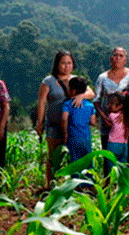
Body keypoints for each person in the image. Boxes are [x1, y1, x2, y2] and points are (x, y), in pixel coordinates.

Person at [35, 51, 95, 186]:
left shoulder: (77, 80)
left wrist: (81, 96)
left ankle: (77, 185)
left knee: (76, 157)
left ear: (73, 65)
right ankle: (51, 185)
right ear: (57, 64)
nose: (66, 66)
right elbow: (42, 102)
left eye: (69, 63)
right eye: (63, 63)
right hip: (54, 125)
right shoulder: (48, 81)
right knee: (53, 157)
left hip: (74, 128)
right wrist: (39, 122)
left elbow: (91, 93)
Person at [94, 47, 129, 167]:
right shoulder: (103, 78)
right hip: (108, 125)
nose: (118, 58)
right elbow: (96, 100)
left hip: (128, 125)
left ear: (125, 59)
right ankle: (109, 183)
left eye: (121, 56)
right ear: (111, 59)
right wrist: (104, 118)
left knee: (128, 158)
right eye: (115, 55)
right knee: (109, 158)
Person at [61, 77, 97, 164]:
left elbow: (64, 118)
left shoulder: (67, 104)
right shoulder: (90, 105)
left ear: (73, 91)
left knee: (74, 162)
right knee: (87, 161)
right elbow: (93, 122)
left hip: (73, 137)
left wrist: (65, 134)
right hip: (86, 138)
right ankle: (88, 177)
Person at [103, 92, 129, 173]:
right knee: (122, 169)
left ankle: (112, 184)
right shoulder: (127, 116)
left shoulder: (111, 116)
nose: (108, 106)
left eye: (111, 104)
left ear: (120, 106)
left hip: (113, 145)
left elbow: (106, 123)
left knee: (112, 169)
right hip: (124, 145)